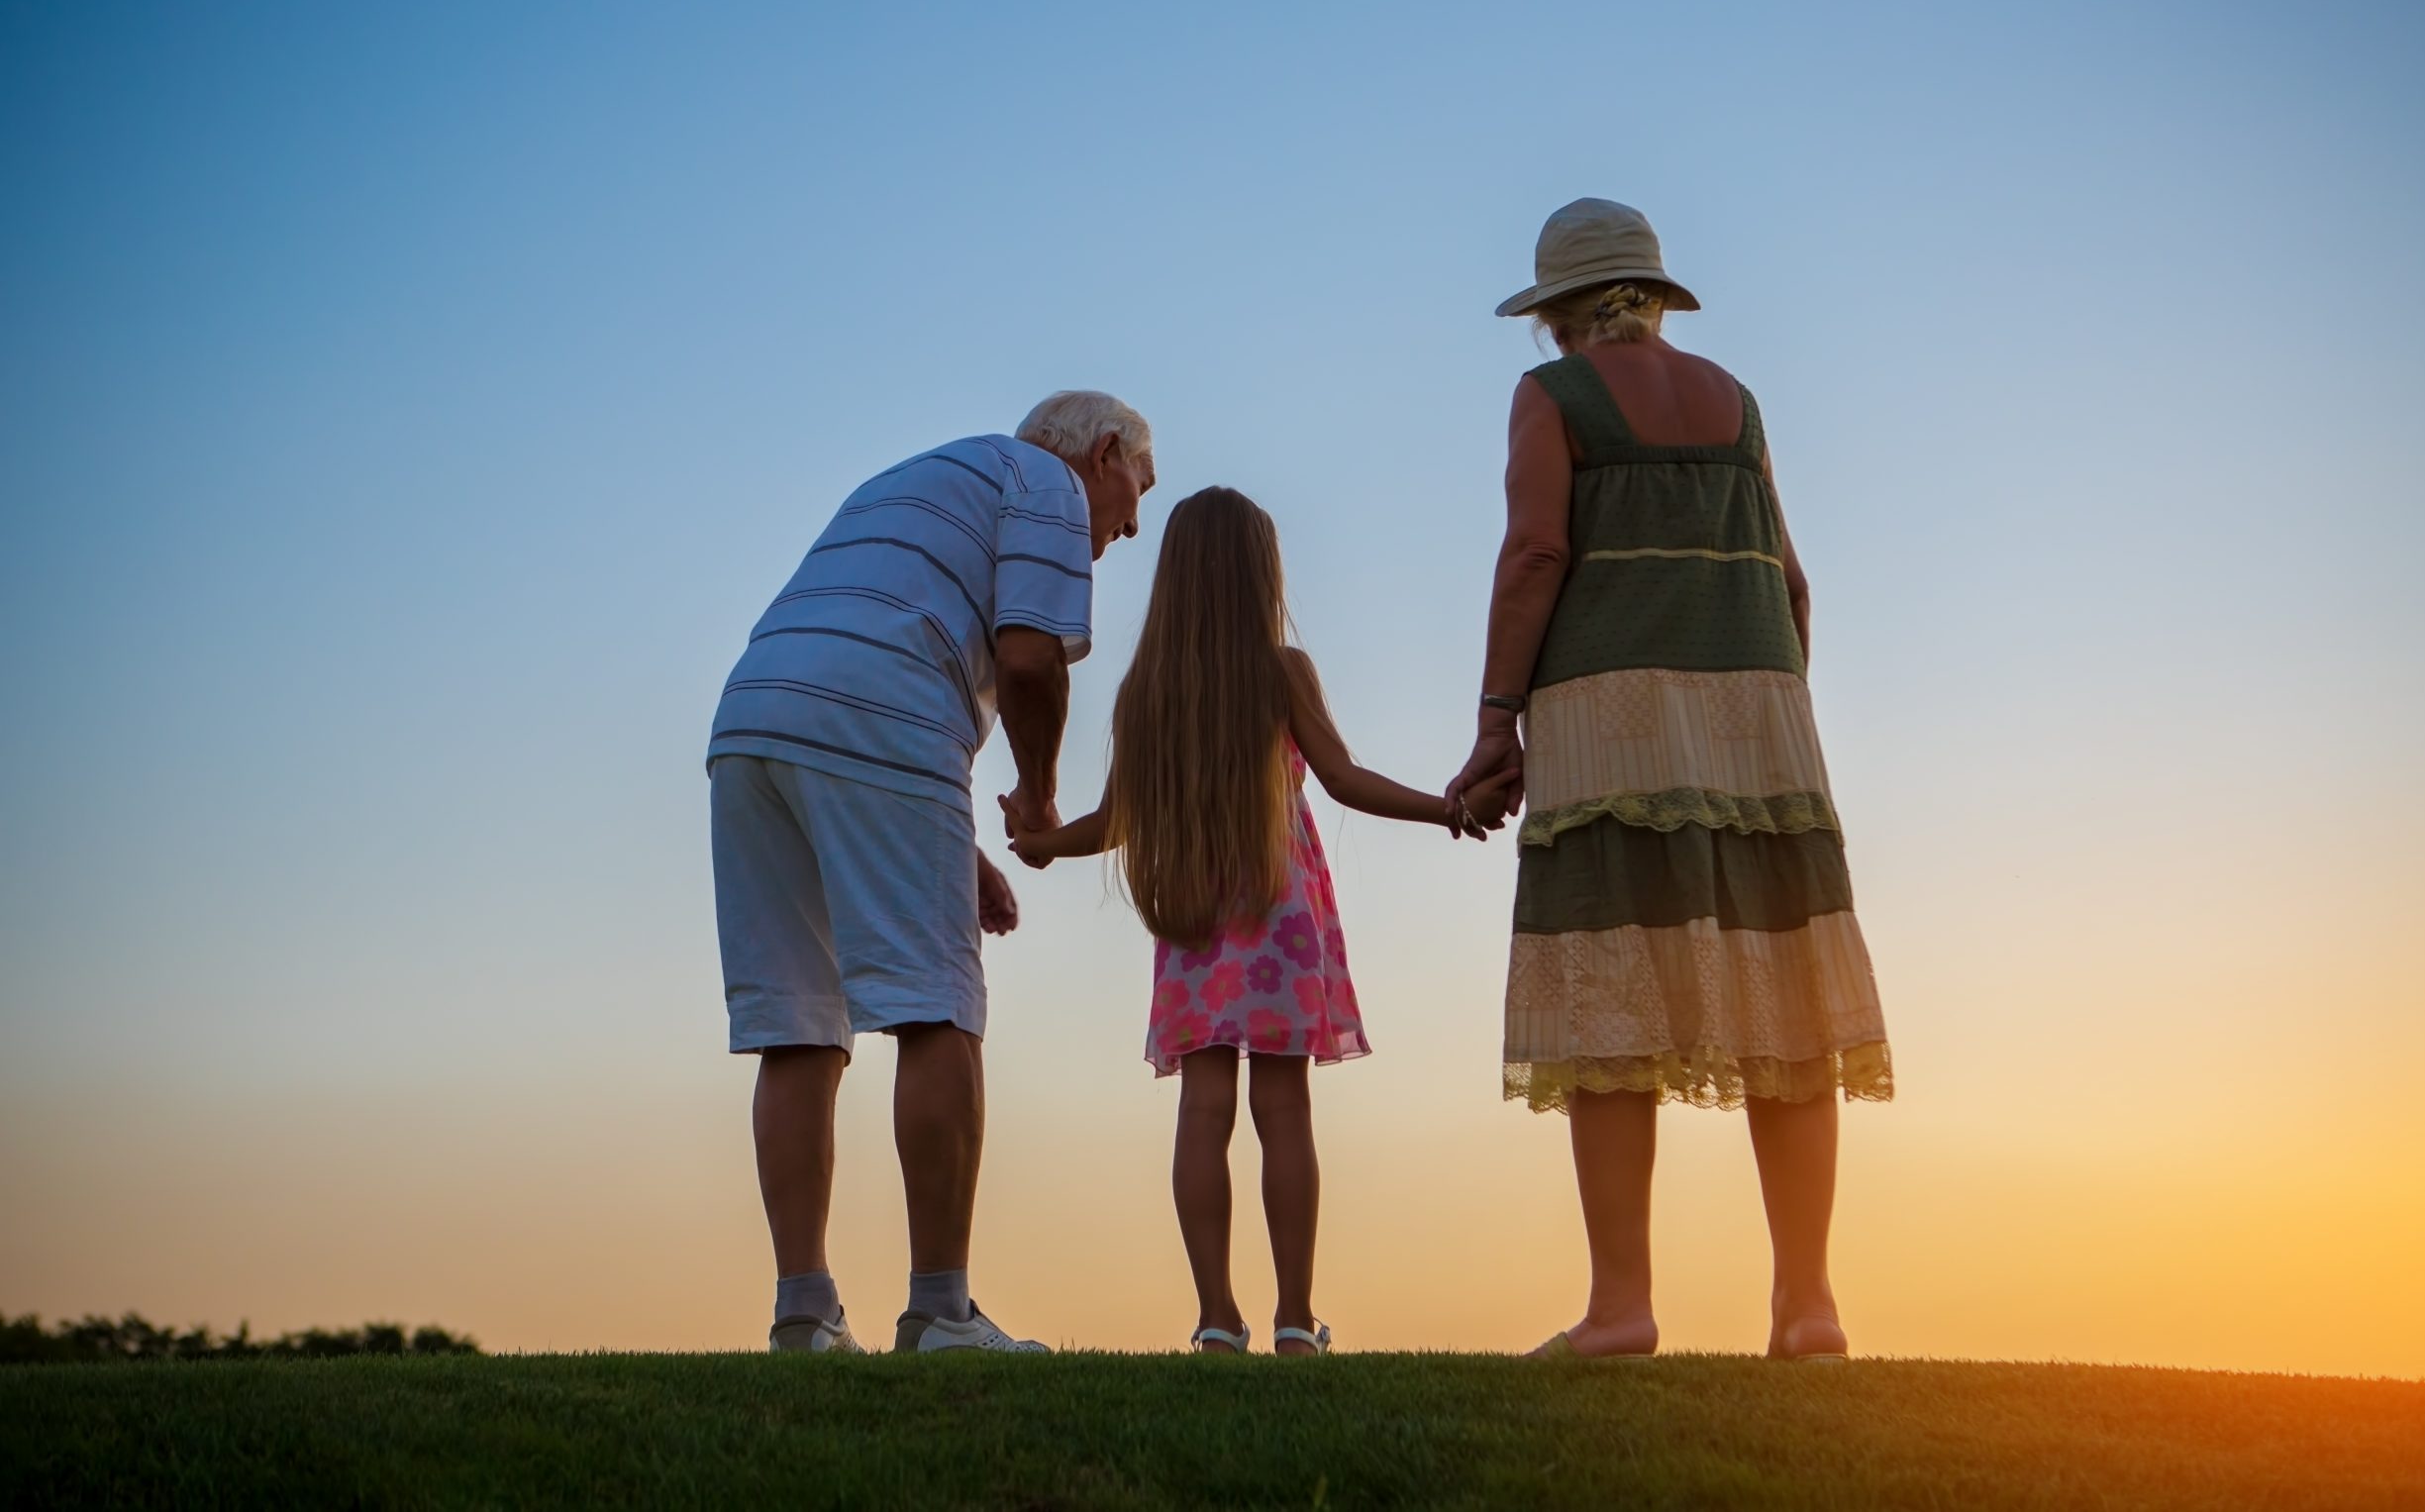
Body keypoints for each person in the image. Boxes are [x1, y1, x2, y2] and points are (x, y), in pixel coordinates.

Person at [1446, 199, 1893, 1361]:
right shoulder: (1736, 400)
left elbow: (1536, 551)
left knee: (1610, 991)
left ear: (1556, 316)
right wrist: (1761, 709)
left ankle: (1621, 1308)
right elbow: (1792, 583)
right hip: (1757, 710)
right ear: (1653, 297)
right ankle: (1808, 1307)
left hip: (1610, 714)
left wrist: (1498, 720)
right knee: (1785, 989)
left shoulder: (1551, 400)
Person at [707, 390, 1156, 1354]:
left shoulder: (923, 477)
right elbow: (1030, 662)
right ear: (1105, 452)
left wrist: (964, 849)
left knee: (795, 1023)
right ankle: (942, 1311)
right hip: (882, 719)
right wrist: (1036, 798)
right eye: (1136, 493)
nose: (1126, 526)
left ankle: (804, 1314)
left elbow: (859, 653)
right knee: (936, 1004)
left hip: (751, 721)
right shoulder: (1045, 482)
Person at [1012, 487, 1506, 1356]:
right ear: (1257, 575)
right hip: (1279, 916)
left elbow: (1117, 820)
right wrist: (1447, 808)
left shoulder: (1146, 691)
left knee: (1204, 1110)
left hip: (1193, 917)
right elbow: (1345, 778)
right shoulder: (1282, 672)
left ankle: (1213, 1317)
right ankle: (1292, 1318)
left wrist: (1049, 843)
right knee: (1285, 1110)